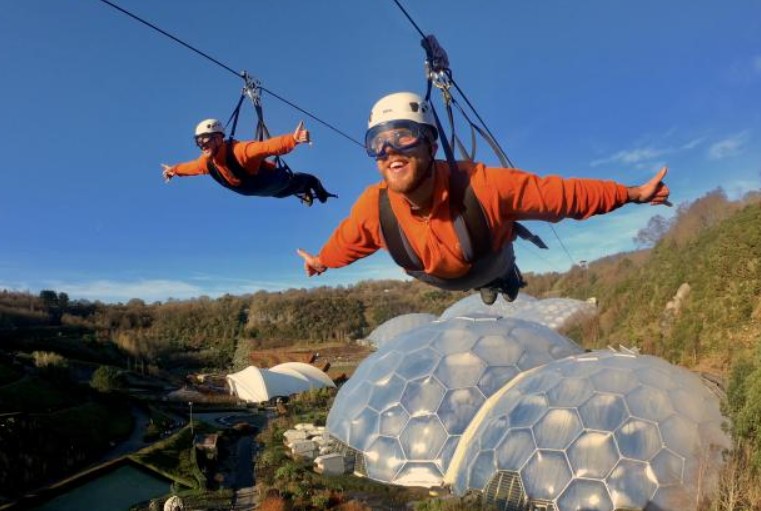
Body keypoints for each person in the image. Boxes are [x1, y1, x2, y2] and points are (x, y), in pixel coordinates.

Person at [296, 92, 671, 304]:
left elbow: (563, 196)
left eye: (404, 136)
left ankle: (505, 278)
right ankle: (491, 283)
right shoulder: (373, 208)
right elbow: (349, 239)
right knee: (459, 267)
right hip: (439, 279)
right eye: (377, 143)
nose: (390, 150)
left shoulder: (483, 184)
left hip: (489, 260)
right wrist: (321, 261)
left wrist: (632, 194)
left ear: (430, 143)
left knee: (495, 265)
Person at [162, 119, 336, 205]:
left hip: (277, 181)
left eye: (205, 140)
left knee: (308, 181)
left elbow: (267, 147)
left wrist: (293, 139)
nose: (202, 145)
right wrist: (174, 170)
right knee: (285, 193)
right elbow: (190, 167)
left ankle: (319, 190)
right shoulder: (206, 162)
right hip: (269, 192)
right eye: (199, 142)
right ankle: (305, 191)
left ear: (218, 138)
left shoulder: (240, 151)